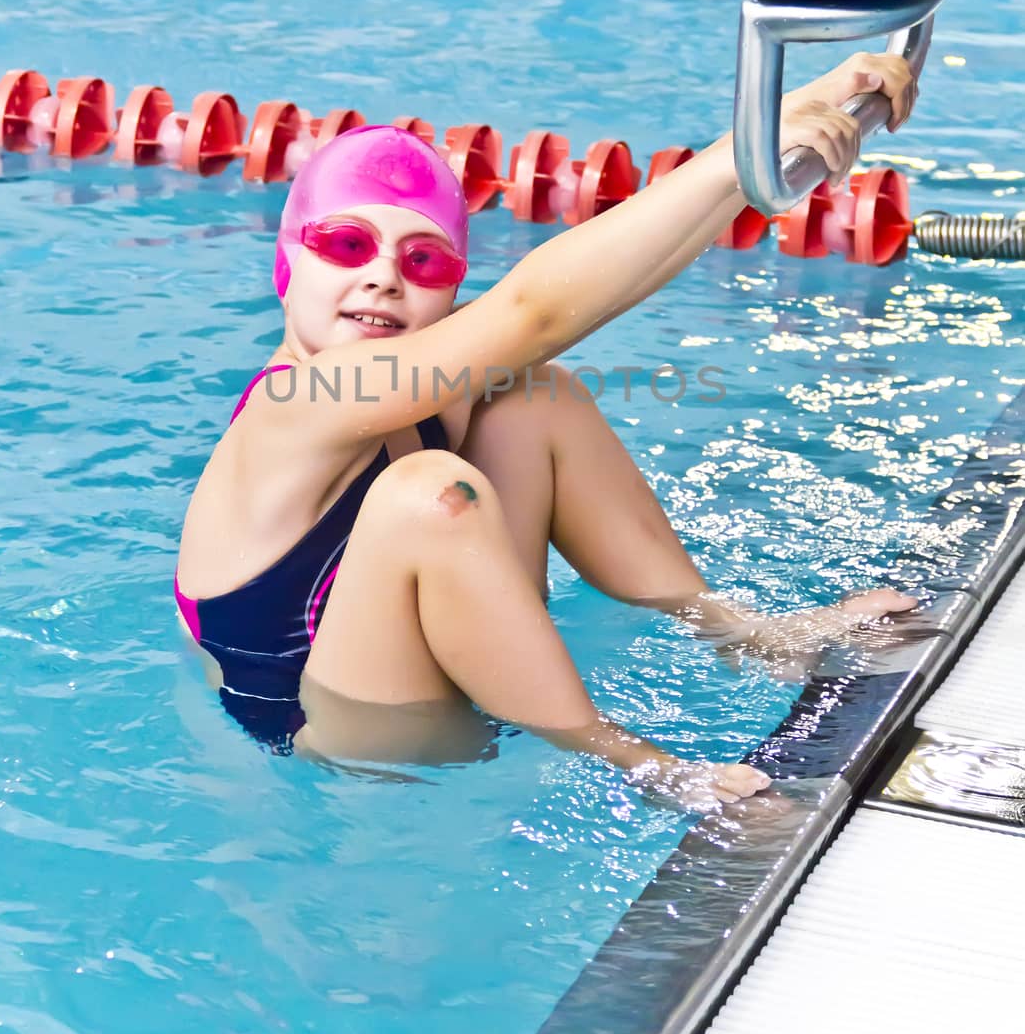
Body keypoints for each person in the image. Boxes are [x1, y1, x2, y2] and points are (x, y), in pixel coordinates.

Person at [175, 51, 918, 808]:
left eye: (424, 260)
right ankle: (629, 763)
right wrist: (737, 154)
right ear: (288, 260)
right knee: (427, 490)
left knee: (533, 391)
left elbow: (595, 289)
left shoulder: (427, 378)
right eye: (346, 245)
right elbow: (533, 309)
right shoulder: (294, 405)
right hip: (343, 737)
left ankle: (737, 633)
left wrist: (772, 138)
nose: (384, 277)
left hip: (469, 681)